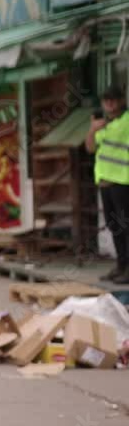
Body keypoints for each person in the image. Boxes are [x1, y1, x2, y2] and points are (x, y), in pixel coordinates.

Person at [87, 84, 129, 283]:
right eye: (106, 100)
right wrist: (92, 129)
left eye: (113, 99)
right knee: (114, 226)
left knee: (125, 226)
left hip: (123, 180)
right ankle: (121, 265)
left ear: (122, 101)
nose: (109, 103)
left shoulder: (126, 121)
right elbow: (90, 148)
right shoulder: (102, 125)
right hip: (105, 182)